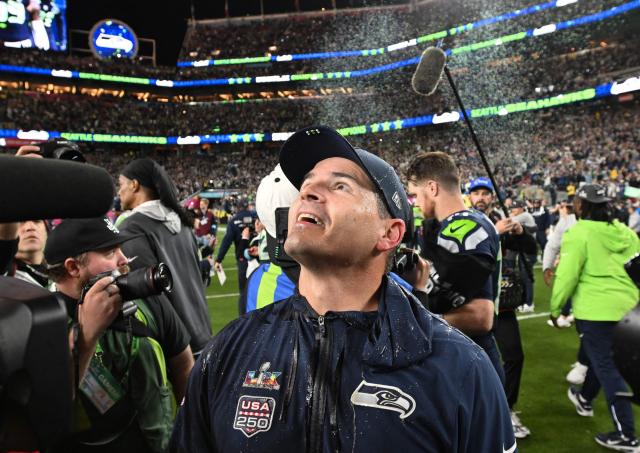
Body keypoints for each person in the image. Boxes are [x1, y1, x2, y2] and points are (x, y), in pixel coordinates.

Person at [171, 126, 515, 453]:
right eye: (307, 183)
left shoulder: (462, 369)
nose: (307, 192)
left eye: (340, 186)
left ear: (390, 233)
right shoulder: (229, 350)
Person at [44, 217, 194, 453]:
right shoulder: (44, 321)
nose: (123, 259)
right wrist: (87, 337)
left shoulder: (147, 302)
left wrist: (191, 430)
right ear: (73, 267)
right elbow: (47, 411)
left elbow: (183, 365)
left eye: (120, 248)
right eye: (110, 252)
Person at [549, 184, 640, 452]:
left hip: (595, 311)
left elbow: (567, 275)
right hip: (629, 309)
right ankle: (585, 398)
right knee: (604, 360)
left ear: (582, 206)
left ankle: (627, 435)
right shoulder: (626, 233)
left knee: (608, 368)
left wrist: (557, 310)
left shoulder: (579, 232)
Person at [405, 154, 505, 386]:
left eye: (416, 195)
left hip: (471, 358)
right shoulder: (460, 223)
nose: (416, 203)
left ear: (432, 187)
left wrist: (421, 325)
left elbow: (480, 317)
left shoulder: (464, 229)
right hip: (463, 354)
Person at [117, 158, 212, 355]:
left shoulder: (132, 227)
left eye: (121, 184)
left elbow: (149, 299)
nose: (118, 192)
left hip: (176, 350)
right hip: (204, 335)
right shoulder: (183, 223)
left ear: (134, 185)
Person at [467, 176, 533, 439]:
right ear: (469, 197)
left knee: (514, 356)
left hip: (502, 305)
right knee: (471, 363)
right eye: (477, 193)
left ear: (492, 197)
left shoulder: (503, 220)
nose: (481, 197)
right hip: (473, 306)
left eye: (486, 193)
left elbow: (530, 249)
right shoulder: (464, 220)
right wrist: (494, 231)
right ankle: (475, 413)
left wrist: (520, 233)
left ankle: (506, 409)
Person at [214, 199, 257, 315]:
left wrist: (219, 259)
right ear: (248, 206)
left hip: (243, 259)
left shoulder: (234, 221)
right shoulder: (256, 217)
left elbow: (227, 241)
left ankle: (243, 320)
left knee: (244, 292)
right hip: (259, 258)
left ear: (237, 208)